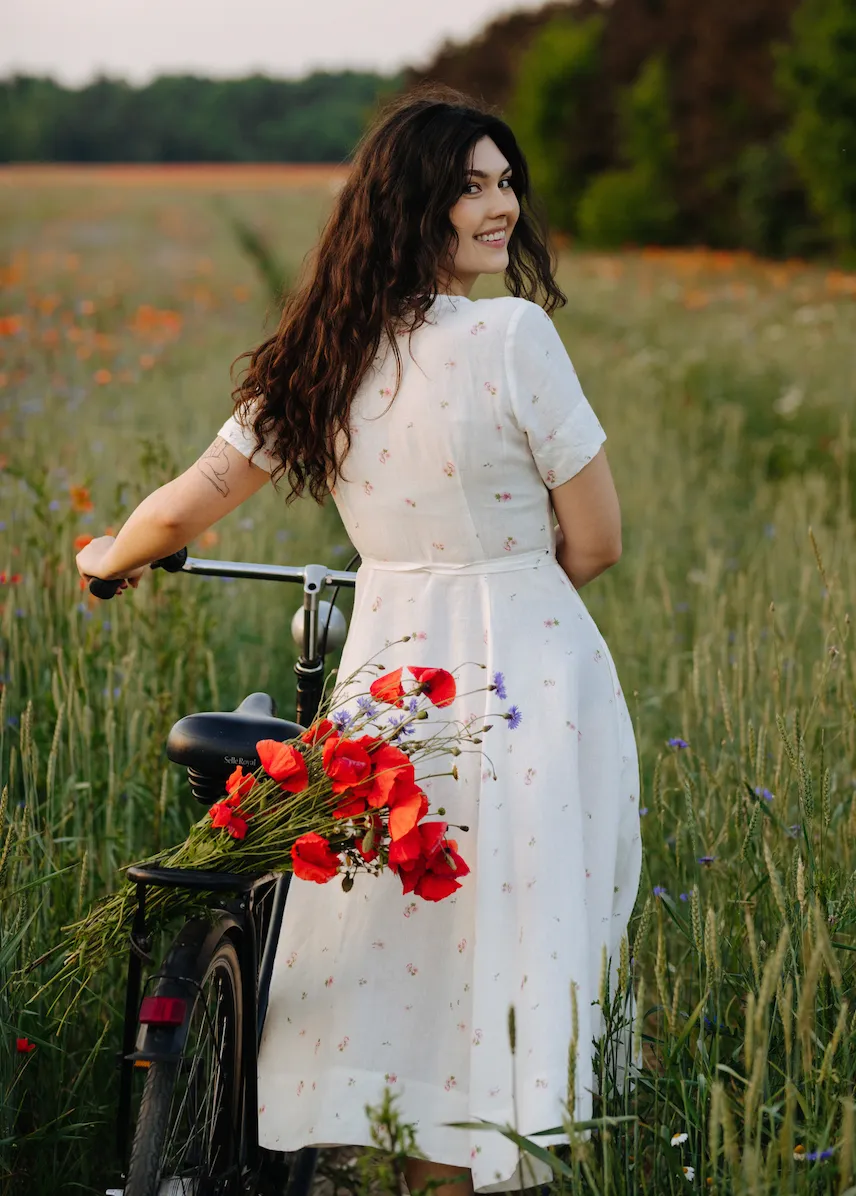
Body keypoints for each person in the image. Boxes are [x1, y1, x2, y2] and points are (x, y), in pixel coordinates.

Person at [76, 83, 642, 1195]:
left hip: (390, 674)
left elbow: (192, 500)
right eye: (471, 186)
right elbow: (599, 539)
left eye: (506, 181)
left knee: (399, 929)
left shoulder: (319, 349)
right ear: (411, 205)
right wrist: (509, 596)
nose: (504, 207)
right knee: (517, 929)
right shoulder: (512, 336)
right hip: (531, 673)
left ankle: (379, 1150)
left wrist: (110, 555)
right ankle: (476, 1163)